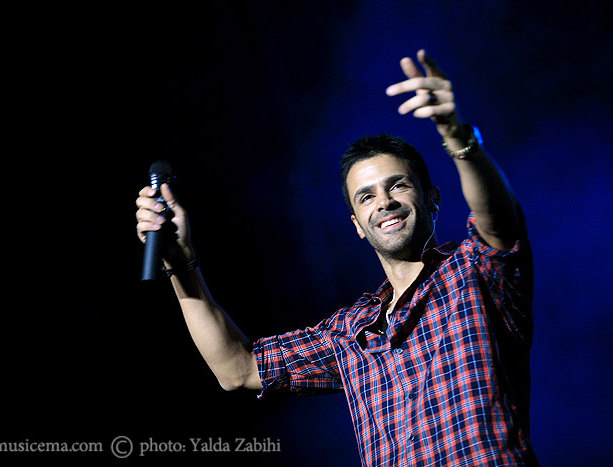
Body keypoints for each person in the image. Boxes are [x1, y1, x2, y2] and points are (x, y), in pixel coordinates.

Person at [135, 49, 538, 466]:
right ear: (358, 224)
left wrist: (457, 136)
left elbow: (497, 222)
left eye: (397, 186)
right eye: (366, 197)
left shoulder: (473, 272)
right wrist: (180, 266)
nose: (384, 202)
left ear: (431, 199)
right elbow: (237, 369)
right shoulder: (349, 331)